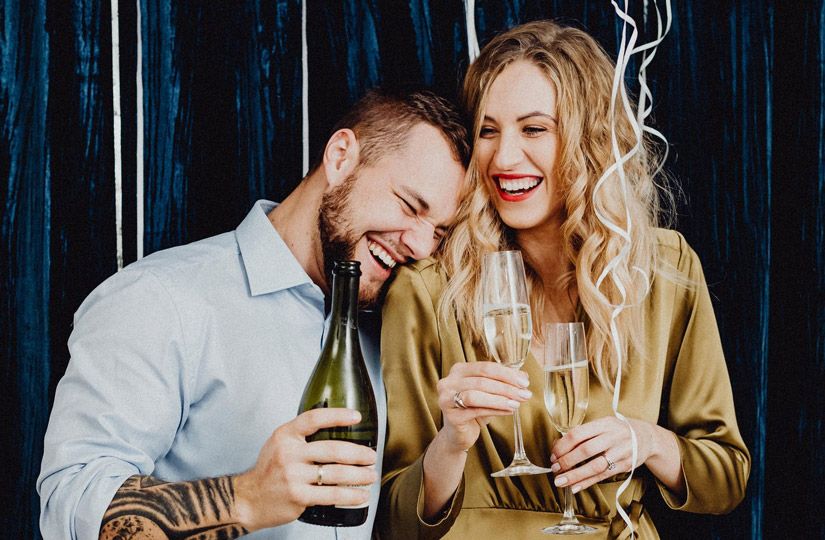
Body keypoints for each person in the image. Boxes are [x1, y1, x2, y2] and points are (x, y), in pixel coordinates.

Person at [37, 88, 469, 540]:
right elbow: (71, 510)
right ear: (341, 156)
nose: (420, 246)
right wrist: (247, 498)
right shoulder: (159, 299)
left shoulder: (391, 326)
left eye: (438, 233)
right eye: (409, 206)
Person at [376, 20, 750, 539]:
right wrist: (453, 442)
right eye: (488, 131)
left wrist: (647, 441)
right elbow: (394, 522)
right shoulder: (427, 289)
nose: (504, 158)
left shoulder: (665, 269)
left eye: (534, 129)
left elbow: (726, 479)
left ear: (589, 141)